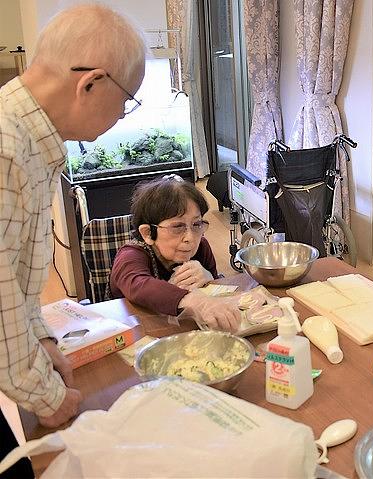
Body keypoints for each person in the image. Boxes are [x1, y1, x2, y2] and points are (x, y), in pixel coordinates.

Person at [0, 5, 146, 476]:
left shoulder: (31, 140)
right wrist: (46, 395)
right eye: (126, 101)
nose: (122, 117)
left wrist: (41, 337)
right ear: (91, 83)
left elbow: (13, 277)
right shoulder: (6, 147)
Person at [109, 176, 242, 332]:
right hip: (135, 335)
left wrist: (209, 279)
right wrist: (196, 301)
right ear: (147, 233)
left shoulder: (201, 248)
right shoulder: (130, 255)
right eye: (178, 227)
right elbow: (138, 284)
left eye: (196, 224)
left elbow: (214, 298)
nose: (190, 238)